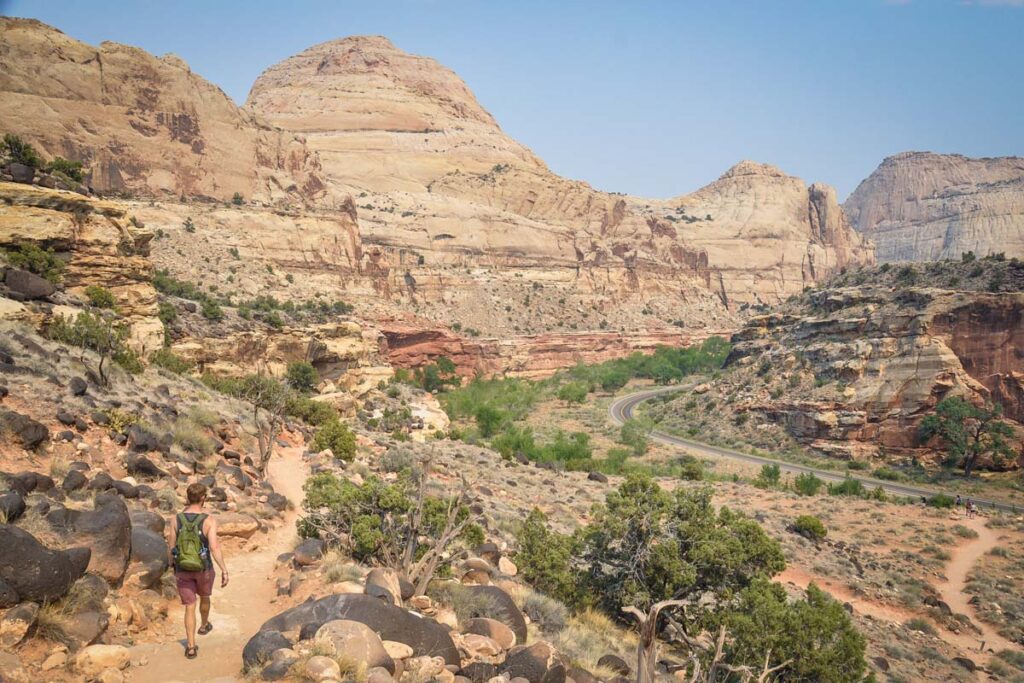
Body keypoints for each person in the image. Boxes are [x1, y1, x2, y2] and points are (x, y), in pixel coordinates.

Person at [167, 482, 229, 659]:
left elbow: (171, 546)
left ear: (188, 497)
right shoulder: (209, 520)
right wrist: (224, 569)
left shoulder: (176, 519)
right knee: (205, 597)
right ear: (203, 498)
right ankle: (203, 625)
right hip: (204, 569)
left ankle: (191, 647)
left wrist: (172, 564)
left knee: (189, 606)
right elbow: (214, 547)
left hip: (182, 568)